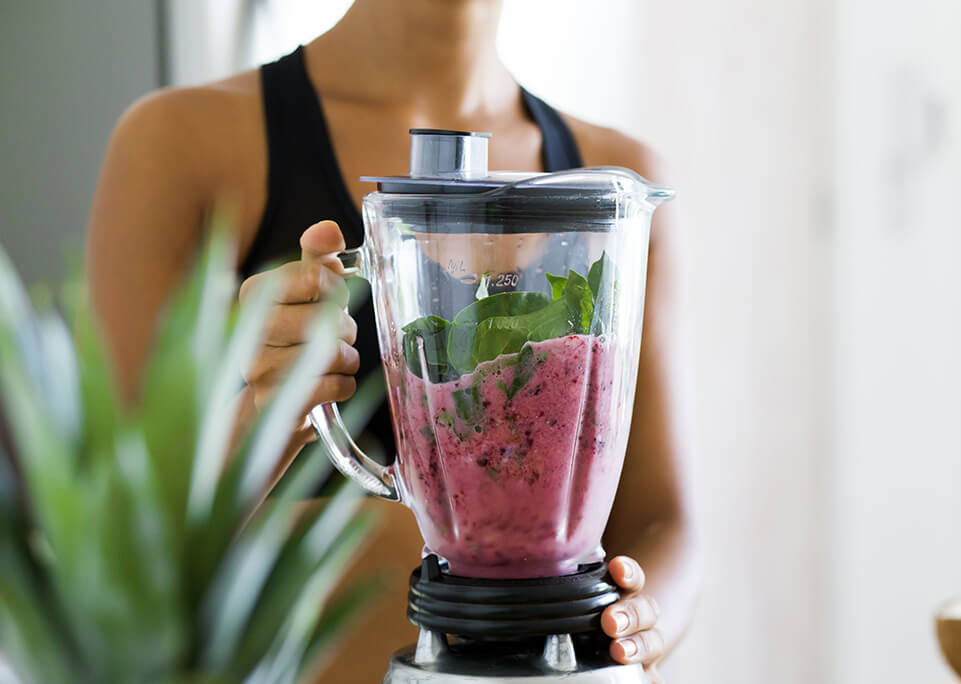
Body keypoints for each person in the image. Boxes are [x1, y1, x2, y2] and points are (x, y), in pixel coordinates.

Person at [86, 0, 699, 681]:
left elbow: (664, 524)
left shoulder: (615, 179)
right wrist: (265, 417)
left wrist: (640, 627)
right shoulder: (181, 145)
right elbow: (109, 565)